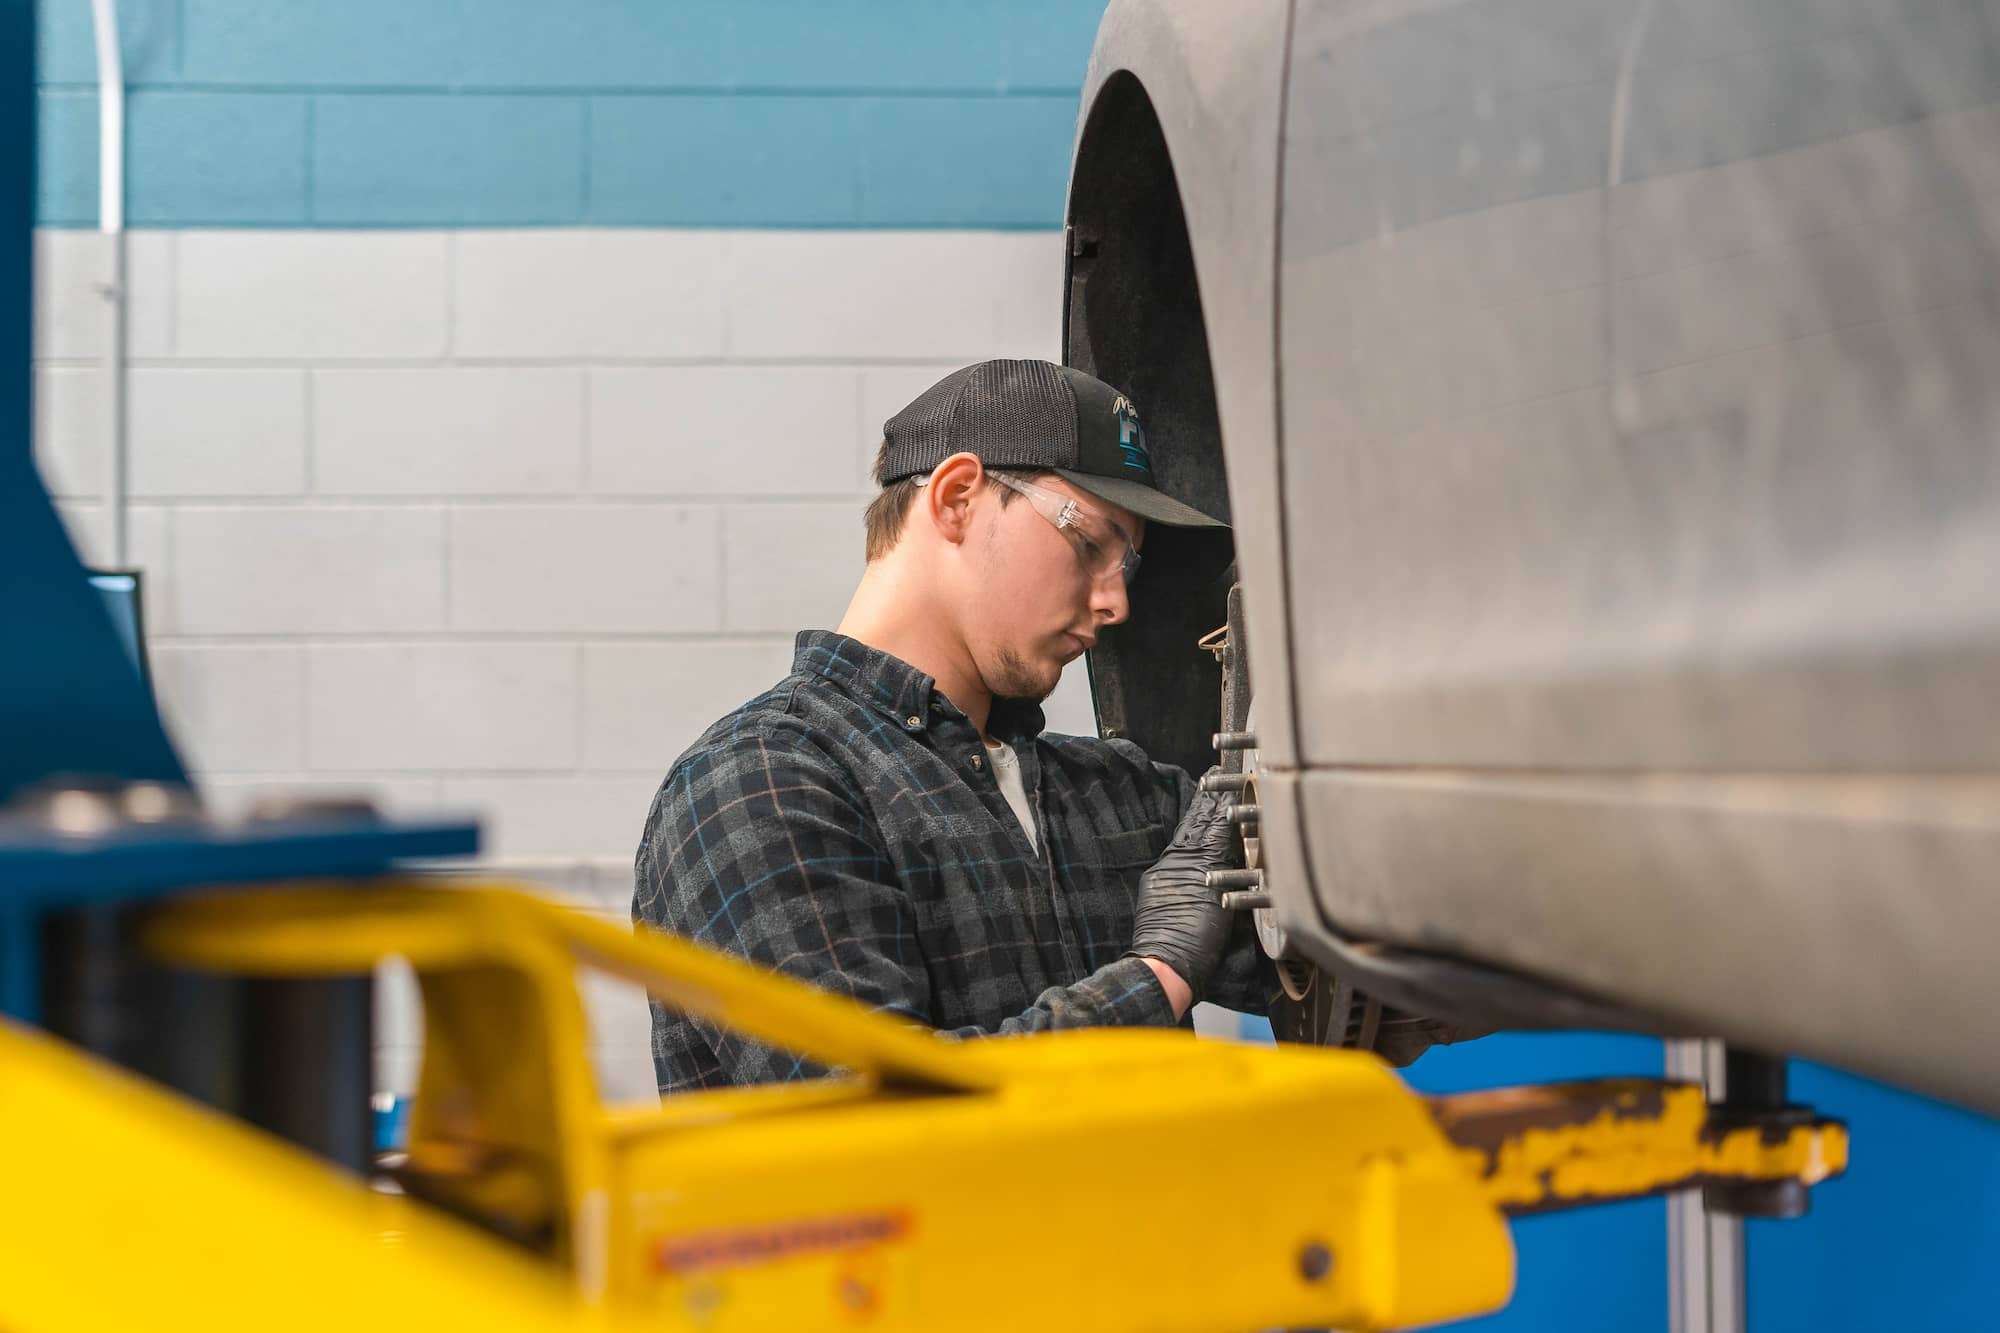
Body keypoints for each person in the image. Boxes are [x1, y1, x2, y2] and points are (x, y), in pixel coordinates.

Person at [634, 358, 1274, 1092]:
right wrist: (1158, 974)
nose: (1114, 602)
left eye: (1124, 565)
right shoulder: (757, 784)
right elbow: (875, 1120)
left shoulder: (1116, 796)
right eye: (1090, 543)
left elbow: (1339, 974)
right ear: (958, 497)